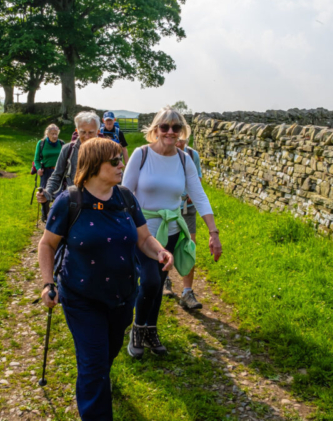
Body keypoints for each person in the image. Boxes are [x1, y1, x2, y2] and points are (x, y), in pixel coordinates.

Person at [38, 138, 174, 421]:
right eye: (114, 161)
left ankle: (100, 377)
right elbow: (47, 245)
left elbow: (144, 239)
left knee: (108, 353)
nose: (121, 164)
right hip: (81, 298)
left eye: (120, 159)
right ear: (92, 165)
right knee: (93, 365)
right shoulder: (69, 201)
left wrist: (160, 252)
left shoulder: (125, 197)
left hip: (122, 297)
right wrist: (47, 283)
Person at [122, 106, 222, 358]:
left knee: (156, 285)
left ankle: (150, 331)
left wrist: (213, 232)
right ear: (155, 130)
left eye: (175, 128)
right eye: (164, 127)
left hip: (173, 230)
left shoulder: (183, 159)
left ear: (181, 131)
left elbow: (198, 195)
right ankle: (137, 330)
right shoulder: (141, 154)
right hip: (145, 232)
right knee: (152, 281)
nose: (169, 132)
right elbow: (124, 193)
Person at [36, 111, 99, 205]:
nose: (87, 136)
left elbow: (116, 177)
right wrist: (47, 193)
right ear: (77, 131)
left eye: (91, 132)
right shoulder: (68, 149)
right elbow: (57, 175)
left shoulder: (106, 151)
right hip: (73, 202)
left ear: (98, 131)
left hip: (98, 202)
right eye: (83, 132)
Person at [171, 129, 204, 309]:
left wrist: (192, 193)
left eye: (182, 140)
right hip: (168, 209)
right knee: (164, 244)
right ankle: (166, 281)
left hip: (188, 208)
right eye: (177, 140)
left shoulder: (192, 155)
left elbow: (197, 177)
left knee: (189, 247)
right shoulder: (162, 155)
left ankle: (187, 292)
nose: (179, 143)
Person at [33, 124, 64, 222]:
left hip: (59, 172)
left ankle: (57, 216)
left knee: (60, 195)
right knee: (45, 194)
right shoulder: (41, 143)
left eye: (56, 134)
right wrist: (38, 169)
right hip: (46, 172)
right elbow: (36, 159)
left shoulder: (61, 143)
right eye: (52, 134)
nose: (55, 136)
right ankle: (45, 216)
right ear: (47, 134)